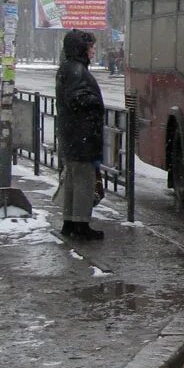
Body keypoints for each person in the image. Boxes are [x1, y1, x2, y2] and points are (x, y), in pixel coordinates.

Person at [55, 29, 106, 240]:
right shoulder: (77, 70)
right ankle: (81, 225)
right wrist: (95, 103)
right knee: (83, 181)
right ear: (81, 49)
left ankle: (70, 221)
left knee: (73, 180)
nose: (93, 50)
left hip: (72, 134)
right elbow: (77, 98)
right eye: (91, 46)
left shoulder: (68, 68)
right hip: (82, 135)